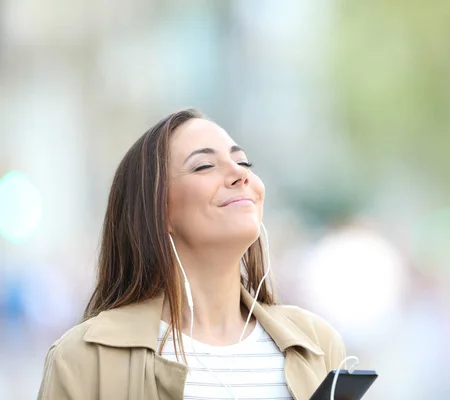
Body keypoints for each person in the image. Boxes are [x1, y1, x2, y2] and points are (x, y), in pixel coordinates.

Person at [37, 109, 347, 400]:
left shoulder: (318, 345)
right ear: (158, 211)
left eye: (244, 163)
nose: (241, 175)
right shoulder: (84, 360)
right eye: (204, 166)